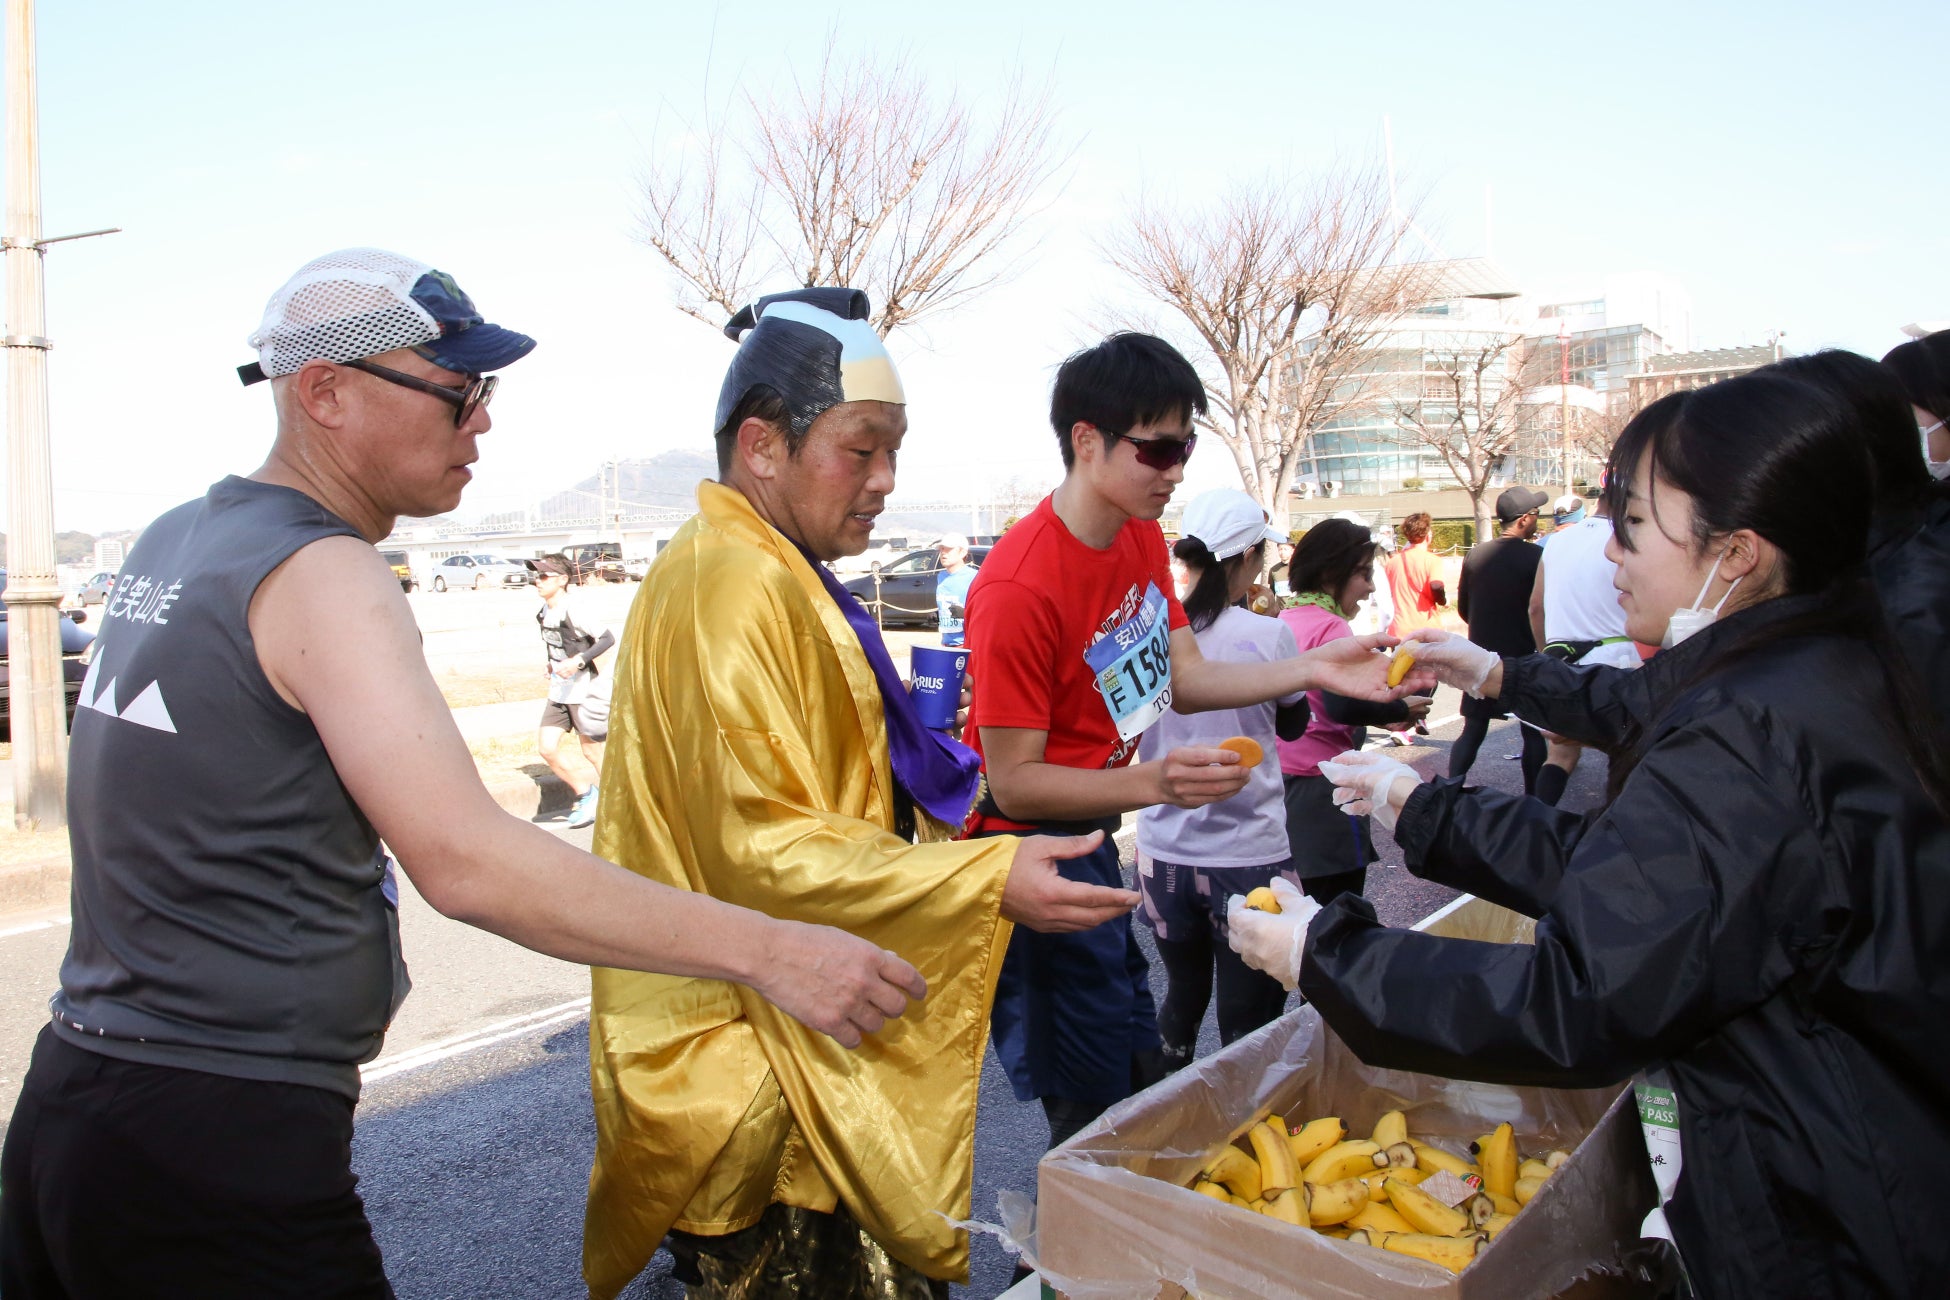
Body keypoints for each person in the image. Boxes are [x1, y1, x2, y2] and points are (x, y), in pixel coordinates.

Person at [0, 251, 926, 1300]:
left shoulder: (182, 537)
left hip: (73, 1103)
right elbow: (468, 860)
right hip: (215, 1145)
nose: (482, 422)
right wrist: (772, 951)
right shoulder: (325, 571)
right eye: (457, 392)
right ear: (325, 391)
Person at [1229, 370, 1950, 1297]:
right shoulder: (1819, 663)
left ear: (1736, 553)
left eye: (1636, 526)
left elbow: (1584, 997)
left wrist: (1324, 953)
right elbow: (1649, 884)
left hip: (1839, 1223)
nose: (1609, 553)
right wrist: (1426, 805)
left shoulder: (1752, 725)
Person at [580, 288, 1139, 1300]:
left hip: (795, 1038)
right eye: (861, 448)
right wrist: (983, 875)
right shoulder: (731, 583)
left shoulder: (764, 566)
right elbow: (758, 845)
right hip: (764, 1075)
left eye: (895, 450)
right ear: (761, 445)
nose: (886, 480)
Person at [961, 332, 1428, 1163]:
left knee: (1137, 1077)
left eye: (1187, 444)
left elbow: (1184, 679)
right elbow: (1015, 783)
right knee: (1089, 1115)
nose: (1176, 468)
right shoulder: (1017, 585)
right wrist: (1156, 783)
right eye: (1160, 447)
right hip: (1024, 860)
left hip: (1093, 845)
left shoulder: (1139, 536)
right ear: (1087, 440)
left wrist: (1316, 663)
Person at [1134, 489, 1308, 1069]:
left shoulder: (1150, 631)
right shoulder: (1266, 635)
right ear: (1248, 559)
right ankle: (1245, 1138)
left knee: (1181, 998)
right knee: (1248, 1023)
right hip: (1249, 853)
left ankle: (1166, 1116)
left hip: (1164, 853)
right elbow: (1295, 720)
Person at [1277, 519, 1430, 903]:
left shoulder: (1281, 621)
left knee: (1295, 908)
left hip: (1281, 782)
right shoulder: (1332, 628)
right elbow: (1341, 703)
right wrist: (1399, 708)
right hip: (1324, 785)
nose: (1372, 587)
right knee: (1339, 915)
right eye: (1363, 574)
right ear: (1332, 573)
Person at [1524, 489, 1636, 806]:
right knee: (1623, 748)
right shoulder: (1625, 538)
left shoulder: (1557, 541)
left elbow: (1535, 606)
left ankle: (1536, 820)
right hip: (1617, 657)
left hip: (1561, 658)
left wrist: (1547, 654)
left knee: (1560, 753)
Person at [1448, 486, 1548, 790]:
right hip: (1524, 655)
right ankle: (1534, 800)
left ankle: (1451, 788)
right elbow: (1540, 607)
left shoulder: (1476, 555)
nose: (1536, 519)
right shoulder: (1538, 556)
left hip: (1481, 657)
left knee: (1473, 729)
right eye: (1535, 514)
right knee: (1533, 731)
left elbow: (1465, 608)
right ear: (1523, 520)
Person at [531, 553, 614, 828]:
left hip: (584, 692)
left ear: (563, 580)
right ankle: (586, 794)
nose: (537, 581)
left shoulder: (574, 609)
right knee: (546, 748)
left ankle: (618, 802)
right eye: (536, 575)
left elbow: (607, 638)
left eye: (544, 576)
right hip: (558, 693)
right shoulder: (543, 612)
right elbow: (556, 644)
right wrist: (551, 664)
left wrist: (578, 661)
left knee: (593, 753)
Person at [1381, 511, 1444, 638]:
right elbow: (1436, 586)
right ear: (1427, 535)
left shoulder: (1392, 563)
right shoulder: (1432, 560)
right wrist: (1442, 600)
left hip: (1399, 630)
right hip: (1427, 629)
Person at [932, 531, 976, 647]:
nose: (943, 553)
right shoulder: (941, 576)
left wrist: (965, 614)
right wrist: (938, 614)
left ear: (962, 552)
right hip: (946, 643)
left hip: (967, 644)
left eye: (949, 549)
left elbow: (986, 612)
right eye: (941, 549)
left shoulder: (975, 577)